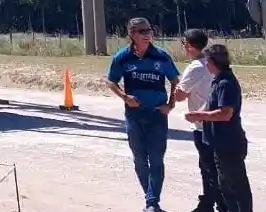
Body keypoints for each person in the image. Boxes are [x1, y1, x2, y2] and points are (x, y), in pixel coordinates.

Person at [105, 17, 180, 212]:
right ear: (132, 35)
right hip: (134, 115)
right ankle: (151, 198)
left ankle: (152, 203)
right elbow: (111, 81)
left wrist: (170, 104)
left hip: (157, 115)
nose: (148, 34)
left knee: (156, 158)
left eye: (149, 30)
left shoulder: (161, 56)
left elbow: (175, 80)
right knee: (139, 158)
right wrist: (124, 96)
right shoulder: (123, 57)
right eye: (142, 31)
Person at [184, 44, 253, 212]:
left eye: (208, 61)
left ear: (214, 62)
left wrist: (200, 116)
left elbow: (225, 113)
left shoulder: (226, 82)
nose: (206, 65)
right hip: (219, 144)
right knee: (225, 187)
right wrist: (196, 113)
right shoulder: (217, 80)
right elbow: (209, 105)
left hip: (229, 144)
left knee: (236, 187)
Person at [175, 29, 226, 212]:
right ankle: (214, 204)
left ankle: (209, 205)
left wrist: (177, 85)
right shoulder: (212, 62)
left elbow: (179, 96)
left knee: (209, 169)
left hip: (202, 124)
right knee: (214, 167)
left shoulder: (195, 67)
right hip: (218, 122)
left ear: (189, 45)